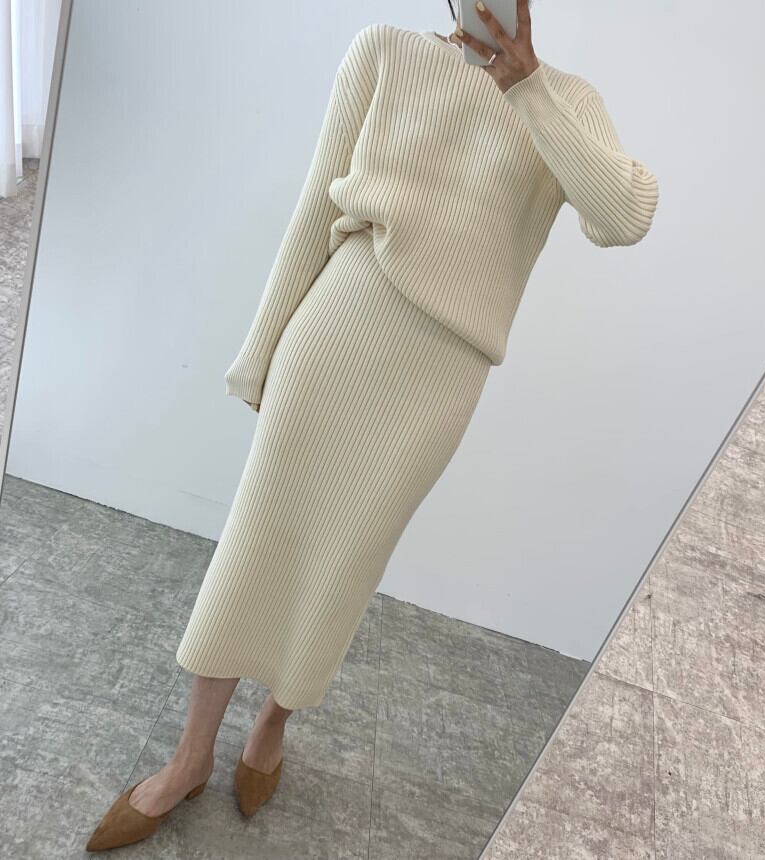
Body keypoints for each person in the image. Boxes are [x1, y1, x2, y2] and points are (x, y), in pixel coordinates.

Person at [85, 0, 658, 850]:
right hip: (338, 331)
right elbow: (315, 207)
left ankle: (273, 724)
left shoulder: (568, 100)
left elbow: (624, 217)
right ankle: (190, 756)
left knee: (344, 562)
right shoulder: (385, 51)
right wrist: (260, 353)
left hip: (440, 377)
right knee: (257, 542)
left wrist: (527, 86)